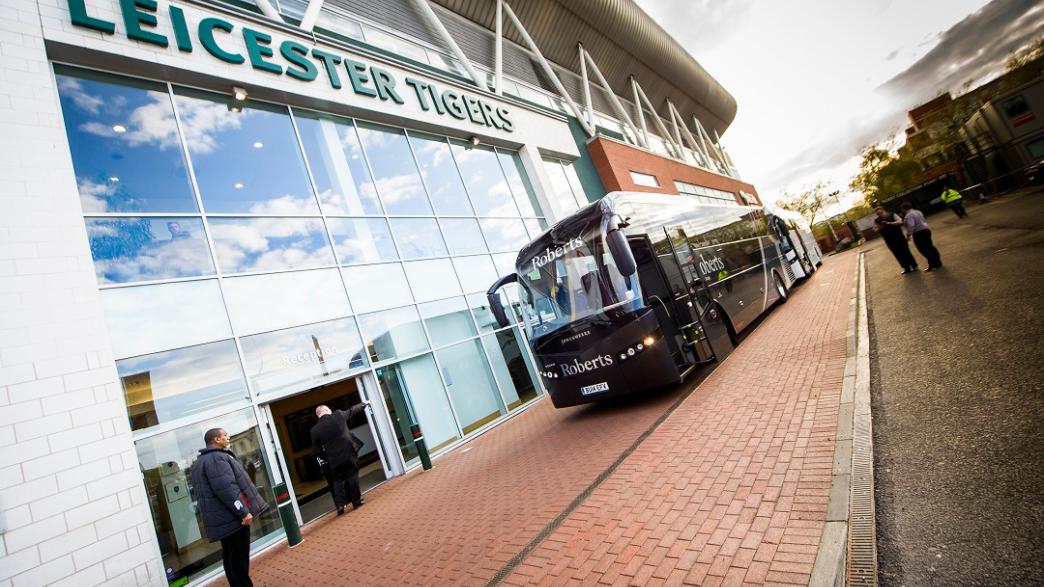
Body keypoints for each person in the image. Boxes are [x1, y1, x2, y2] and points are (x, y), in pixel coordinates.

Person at [190, 428, 268, 587]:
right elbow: (227, 489)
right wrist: (243, 512)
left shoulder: (200, 462)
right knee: (239, 559)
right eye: (225, 435)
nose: (228, 437)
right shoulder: (216, 459)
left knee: (230, 557)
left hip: (223, 519)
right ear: (216, 440)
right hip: (232, 518)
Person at [311, 401, 371, 516]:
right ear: (327, 410)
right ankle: (356, 502)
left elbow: (317, 452)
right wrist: (365, 404)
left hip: (333, 459)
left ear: (318, 415)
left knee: (337, 481)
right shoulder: (338, 415)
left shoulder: (314, 430)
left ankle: (340, 506)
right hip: (348, 454)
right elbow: (352, 410)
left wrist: (328, 458)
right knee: (352, 476)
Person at [873, 206, 918, 274]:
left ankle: (914, 265)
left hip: (899, 236)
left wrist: (890, 223)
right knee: (897, 253)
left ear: (883, 210)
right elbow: (875, 230)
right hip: (888, 239)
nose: (879, 214)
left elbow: (900, 221)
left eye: (880, 212)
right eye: (877, 213)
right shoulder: (876, 220)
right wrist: (881, 226)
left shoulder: (892, 214)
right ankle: (906, 268)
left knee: (905, 251)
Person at [900, 202, 943, 271]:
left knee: (923, 249)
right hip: (926, 230)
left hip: (918, 233)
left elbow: (911, 226)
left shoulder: (908, 215)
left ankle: (932, 264)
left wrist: (908, 235)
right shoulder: (918, 211)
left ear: (903, 209)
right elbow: (923, 220)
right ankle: (938, 262)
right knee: (930, 246)